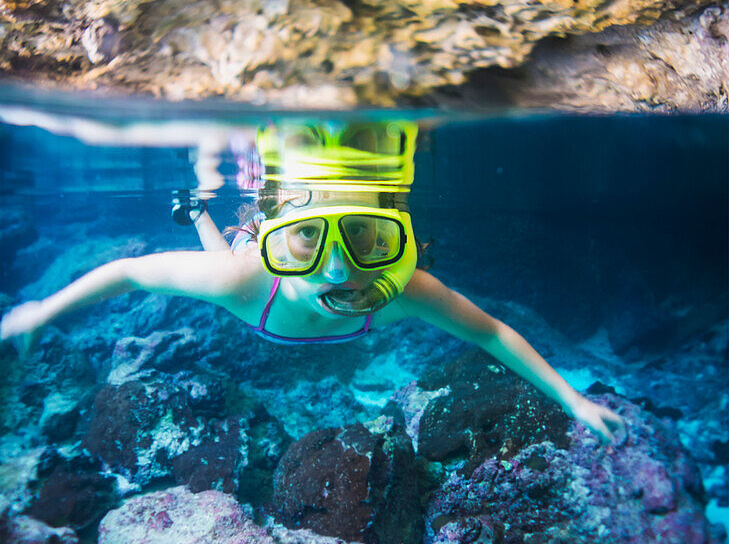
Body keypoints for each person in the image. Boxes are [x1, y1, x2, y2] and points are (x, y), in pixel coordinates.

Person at [0, 183, 624, 443]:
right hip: (251, 276)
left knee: (230, 270)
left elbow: (490, 331)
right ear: (281, 236)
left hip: (256, 278)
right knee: (226, 262)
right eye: (305, 240)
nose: (336, 269)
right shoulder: (245, 279)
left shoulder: (404, 289)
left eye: (363, 238)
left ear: (394, 241)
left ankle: (213, 217)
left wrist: (572, 400)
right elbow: (131, 273)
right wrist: (41, 310)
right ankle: (196, 209)